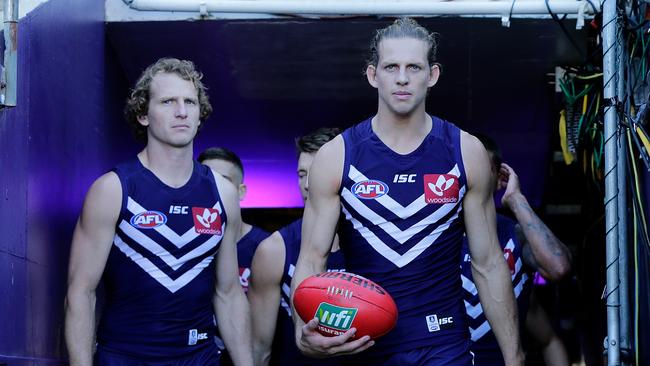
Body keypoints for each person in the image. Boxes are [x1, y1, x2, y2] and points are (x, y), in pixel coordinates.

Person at [290, 17, 523, 366]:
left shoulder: (465, 151)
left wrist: (514, 357)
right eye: (391, 67)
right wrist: (301, 332)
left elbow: (488, 263)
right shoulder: (337, 156)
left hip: (445, 344)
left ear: (432, 75)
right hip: (364, 344)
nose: (402, 78)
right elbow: (311, 259)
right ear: (373, 75)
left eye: (414, 67)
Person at [64, 58, 253, 366]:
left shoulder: (223, 192)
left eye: (189, 102)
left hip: (199, 357)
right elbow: (81, 293)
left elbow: (229, 293)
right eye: (168, 101)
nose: (181, 111)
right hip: (125, 357)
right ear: (143, 115)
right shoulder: (112, 189)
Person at [460, 134, 572, 365]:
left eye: (481, 167)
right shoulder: (431, 234)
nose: (470, 176)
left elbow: (559, 267)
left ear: (499, 178)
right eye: (463, 167)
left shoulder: (514, 234)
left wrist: (516, 199)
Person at [248, 127, 346, 366]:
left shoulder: (376, 244)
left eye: (318, 172)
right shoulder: (275, 249)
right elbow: (259, 349)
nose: (308, 184)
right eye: (302, 173)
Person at [198, 147, 271, 294]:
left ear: (241, 191)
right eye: (206, 181)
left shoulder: (266, 246)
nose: (214, 188)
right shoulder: (185, 244)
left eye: (223, 181)